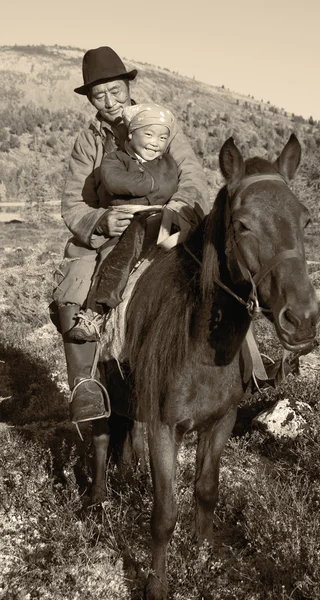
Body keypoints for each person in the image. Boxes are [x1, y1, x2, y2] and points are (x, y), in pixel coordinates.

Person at [52, 46, 210, 426]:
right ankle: (85, 387)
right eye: (99, 94)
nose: (109, 101)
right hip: (113, 228)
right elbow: (73, 203)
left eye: (115, 91)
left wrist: (177, 209)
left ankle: (249, 365)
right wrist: (101, 221)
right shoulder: (89, 140)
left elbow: (193, 176)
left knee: (209, 270)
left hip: (167, 221)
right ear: (90, 98)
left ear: (128, 86)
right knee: (71, 286)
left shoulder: (160, 123)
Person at [68, 102, 179, 342]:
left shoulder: (167, 162)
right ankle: (95, 313)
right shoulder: (114, 159)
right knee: (114, 258)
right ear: (131, 133)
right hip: (127, 221)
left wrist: (145, 182)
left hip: (162, 218)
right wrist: (149, 183)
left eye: (162, 137)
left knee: (192, 257)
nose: (155, 142)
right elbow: (113, 181)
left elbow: (170, 185)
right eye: (148, 134)